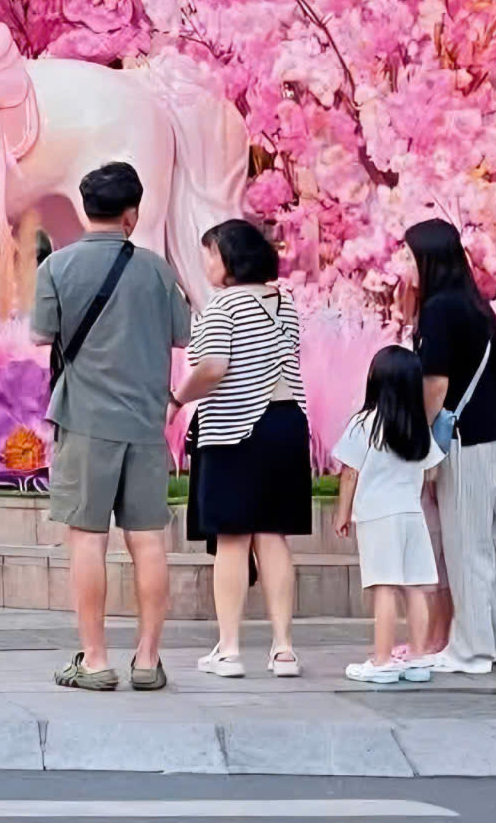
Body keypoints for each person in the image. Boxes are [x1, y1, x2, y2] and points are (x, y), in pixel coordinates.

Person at [30, 161, 192, 694]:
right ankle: (147, 660)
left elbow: (42, 336)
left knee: (87, 542)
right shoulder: (158, 271)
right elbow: (180, 335)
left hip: (83, 421)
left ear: (84, 209)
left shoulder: (56, 267)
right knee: (148, 542)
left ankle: (95, 659)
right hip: (145, 423)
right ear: (133, 213)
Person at [173, 218, 310, 680]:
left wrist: (176, 400)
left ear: (230, 260)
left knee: (232, 538)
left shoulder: (224, 305)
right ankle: (284, 648)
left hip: (236, 428)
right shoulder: (284, 302)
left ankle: (229, 649)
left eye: (210, 254)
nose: (206, 263)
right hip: (287, 426)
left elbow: (212, 367)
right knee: (272, 535)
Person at [407, 218, 496, 674]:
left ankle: (473, 649)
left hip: (470, 441)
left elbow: (435, 386)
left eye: (410, 256)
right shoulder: (477, 307)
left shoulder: (439, 310)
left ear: (428, 259)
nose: (406, 265)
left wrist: (421, 443)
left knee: (468, 544)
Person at [335, 345, 445, 685]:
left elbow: (350, 472)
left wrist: (343, 512)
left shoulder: (364, 424)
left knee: (384, 587)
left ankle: (382, 661)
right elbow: (431, 472)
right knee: (414, 588)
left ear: (375, 379)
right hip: (412, 515)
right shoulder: (418, 427)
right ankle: (418, 657)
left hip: (378, 516)